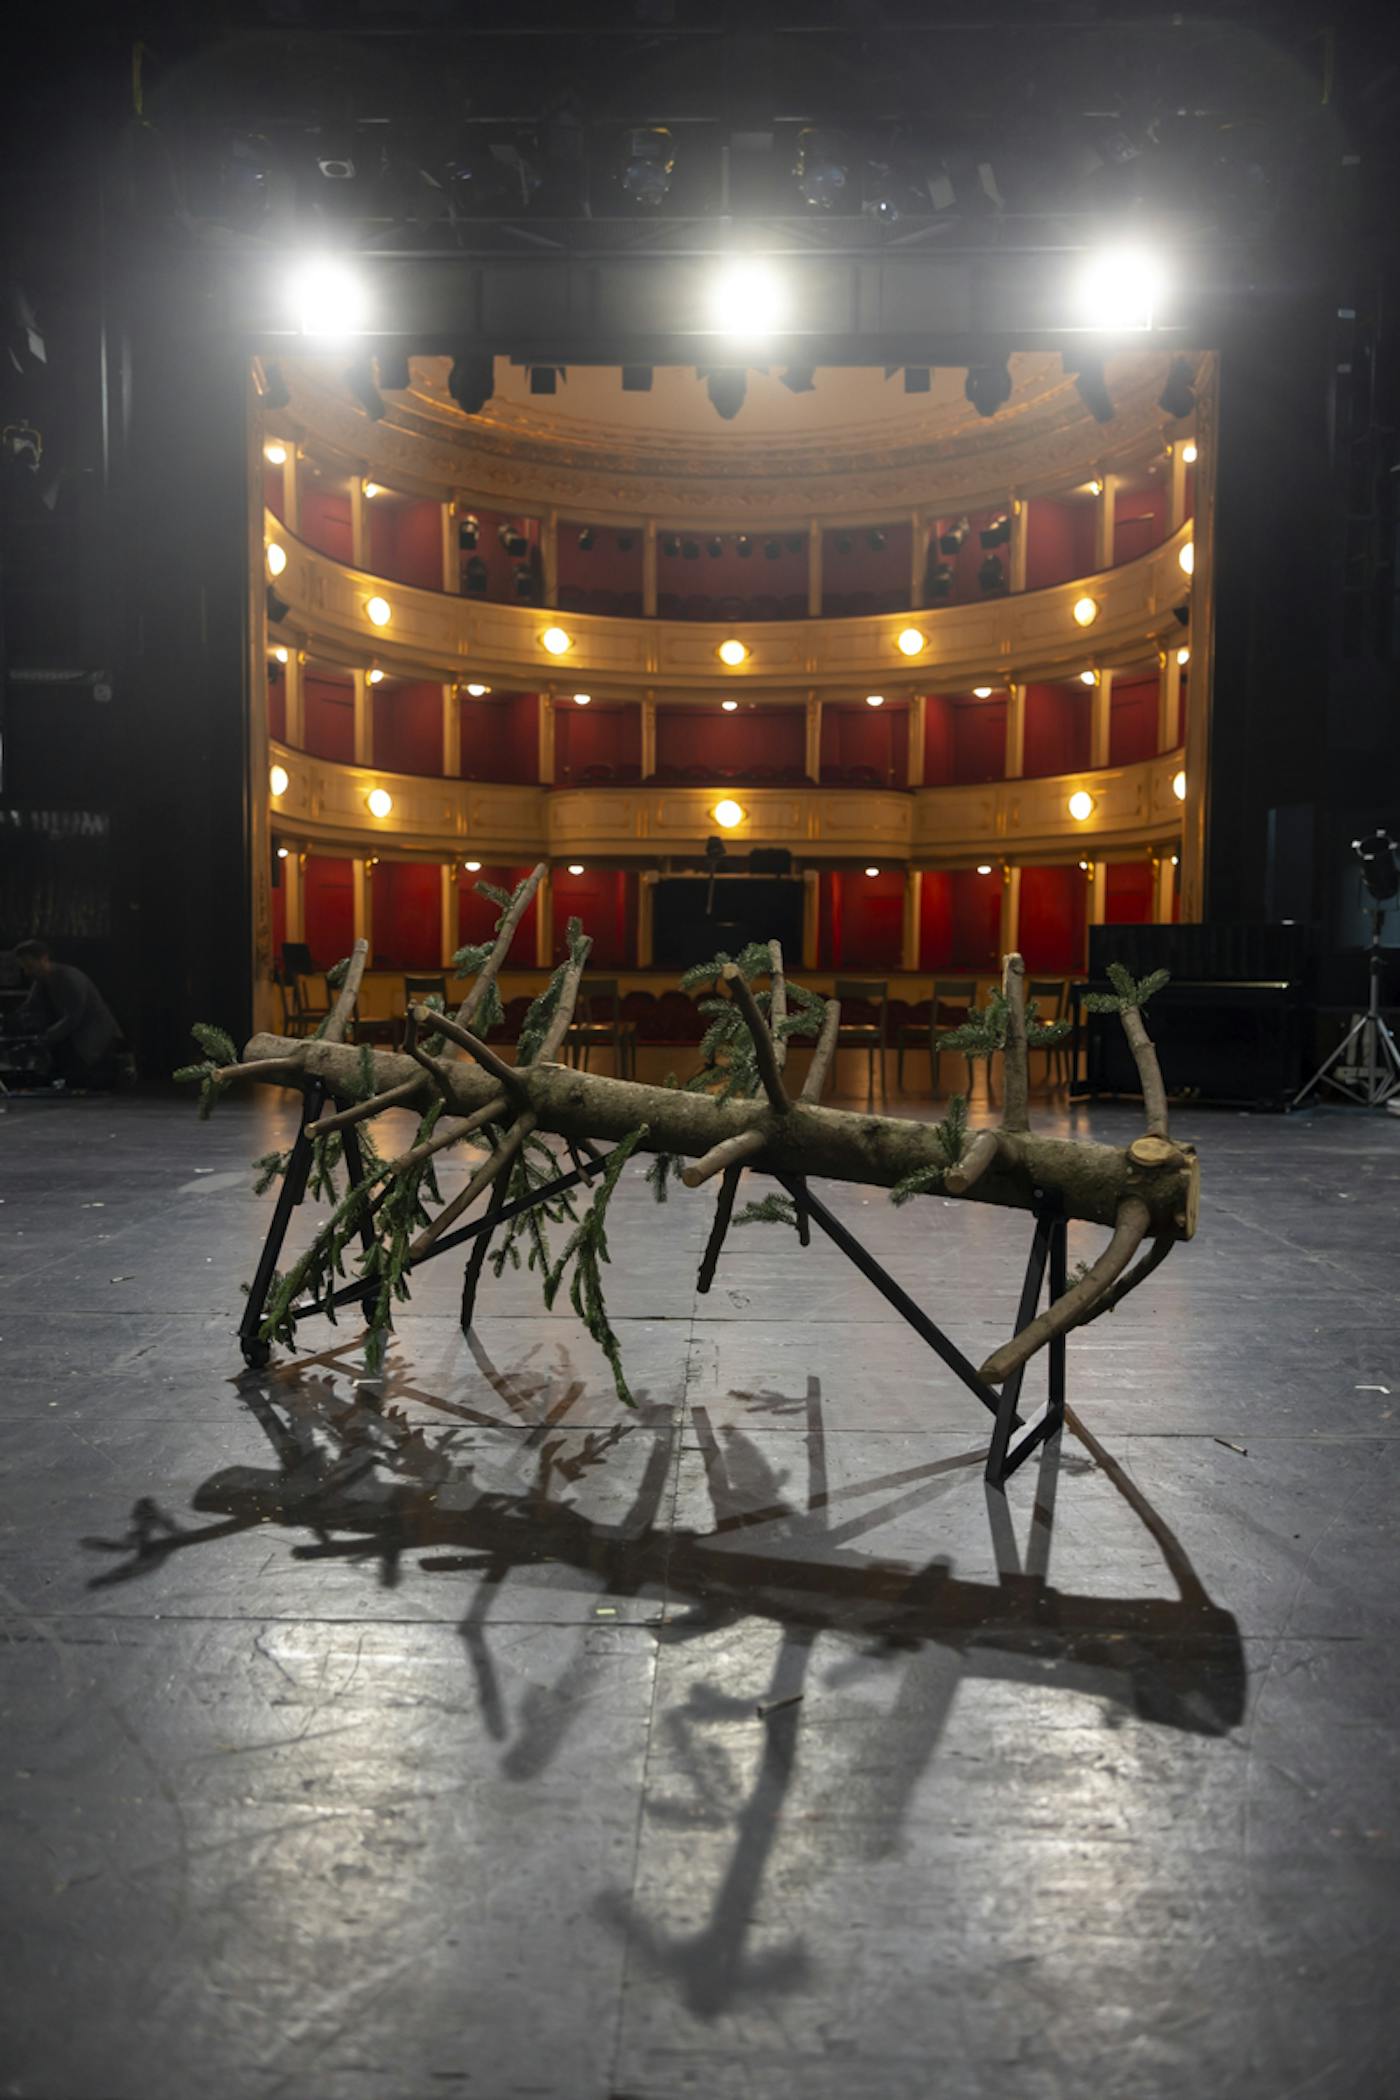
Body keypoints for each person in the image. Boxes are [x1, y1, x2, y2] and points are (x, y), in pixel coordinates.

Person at [5, 938, 122, 1089]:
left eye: (30, 966)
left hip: (93, 1042)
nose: (27, 972)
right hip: (74, 1040)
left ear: (44, 959)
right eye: (24, 968)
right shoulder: (41, 982)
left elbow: (73, 1018)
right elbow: (28, 1007)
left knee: (75, 1082)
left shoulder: (69, 978)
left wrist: (44, 1038)